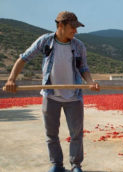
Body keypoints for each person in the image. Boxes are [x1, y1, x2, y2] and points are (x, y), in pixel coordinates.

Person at [4, 11, 100, 172]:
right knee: (51, 134)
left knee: (76, 134)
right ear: (61, 25)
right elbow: (24, 58)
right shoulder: (45, 41)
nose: (75, 31)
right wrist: (11, 79)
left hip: (73, 97)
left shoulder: (78, 46)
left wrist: (90, 82)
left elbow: (83, 68)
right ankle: (57, 165)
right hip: (51, 95)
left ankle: (76, 165)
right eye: (72, 27)